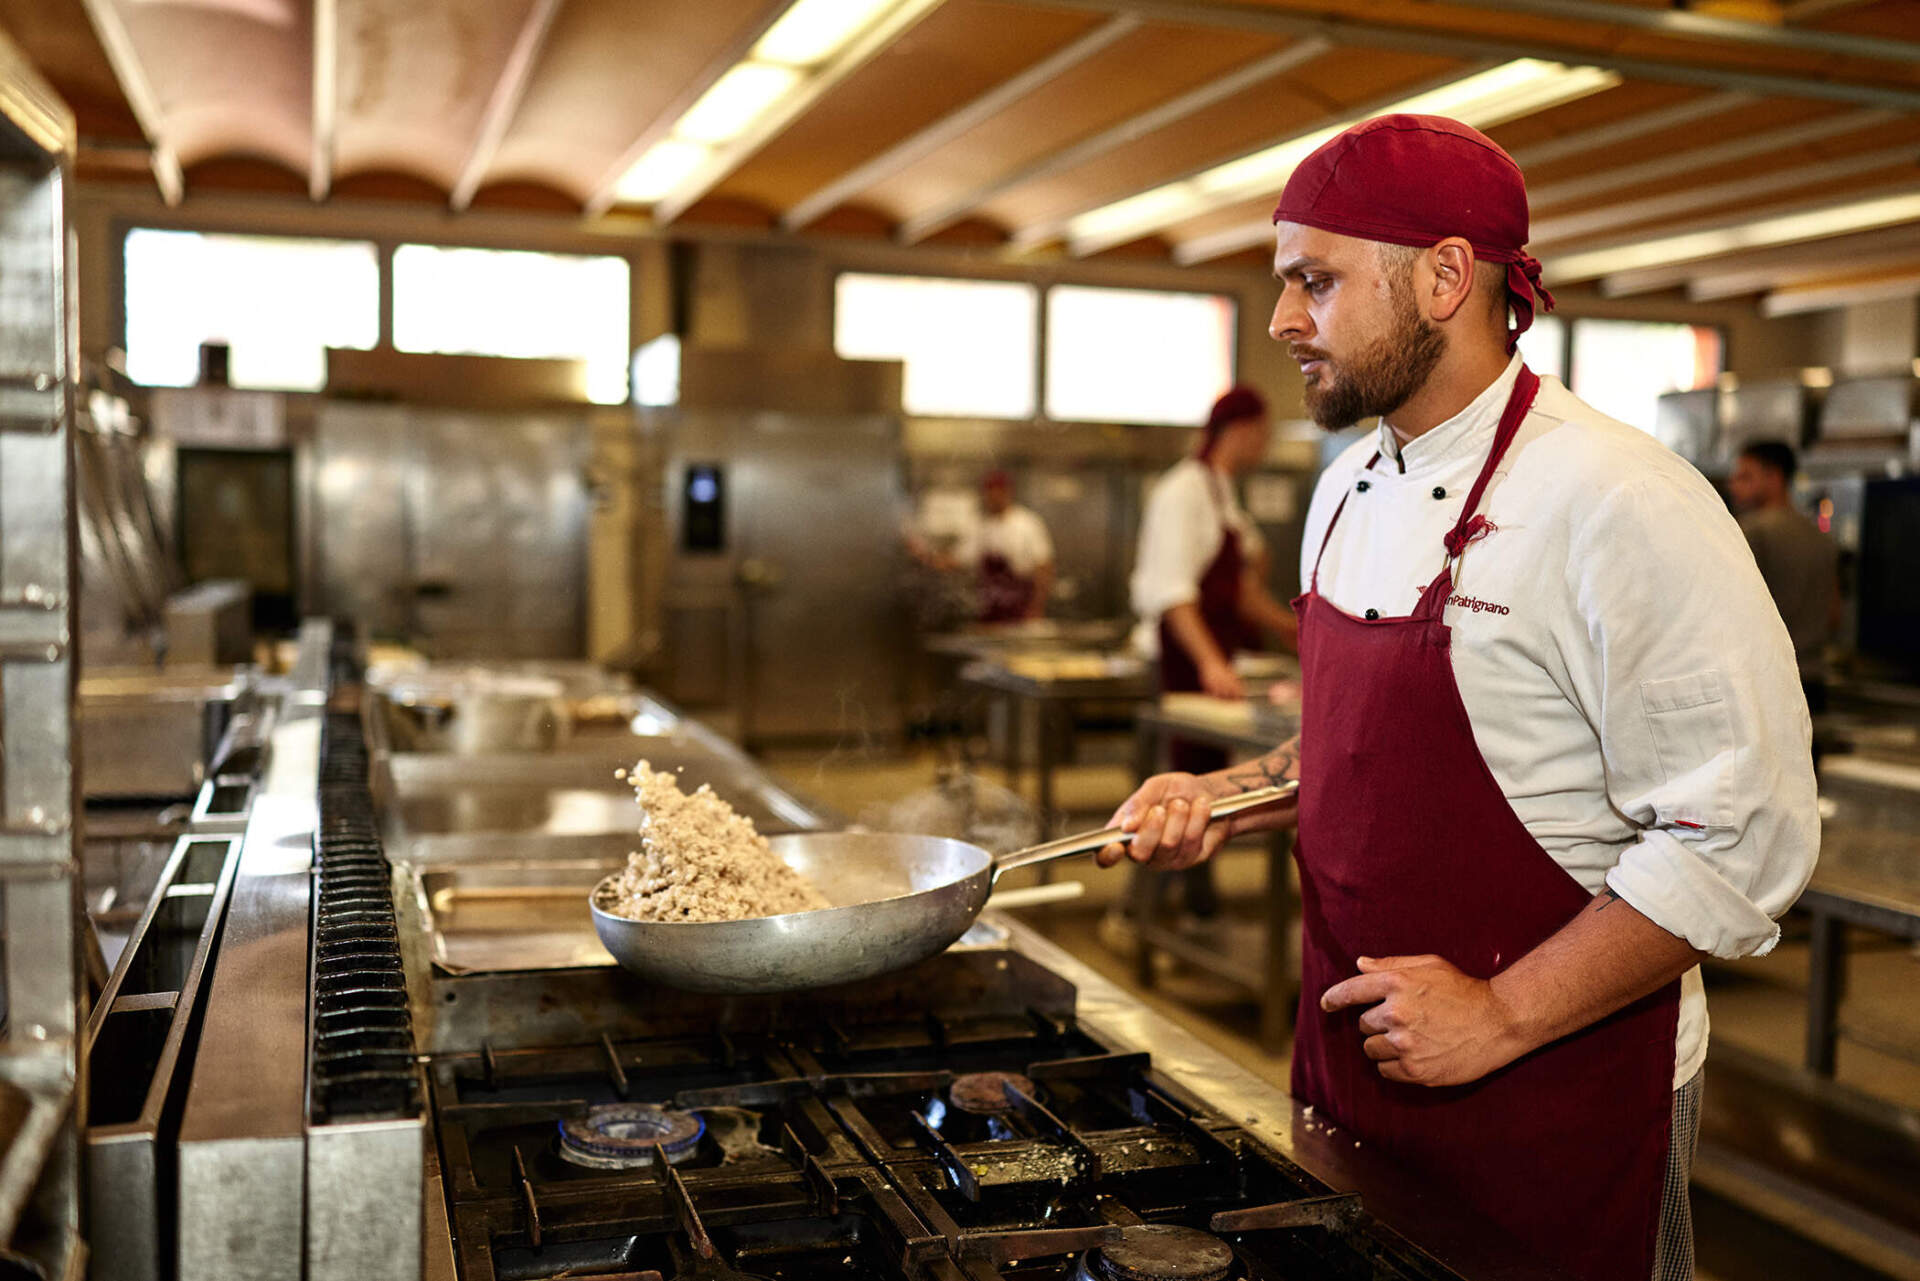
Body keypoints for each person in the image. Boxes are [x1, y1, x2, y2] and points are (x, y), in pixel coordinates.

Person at [1100, 114, 1817, 1281]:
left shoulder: (1621, 500)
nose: (1284, 321)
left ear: (1443, 277)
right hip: (1346, 1067)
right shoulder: (1344, 489)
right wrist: (1225, 796)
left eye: (1314, 282)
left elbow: (1738, 837)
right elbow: (1362, 745)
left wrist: (1501, 1015)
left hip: (1563, 1089)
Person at [1128, 386, 1299, 917]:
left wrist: (1295, 628)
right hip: (1181, 662)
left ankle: (1196, 904)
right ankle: (1138, 916)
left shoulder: (1220, 490)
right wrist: (1210, 663)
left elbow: (1243, 586)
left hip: (1208, 660)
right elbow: (1172, 595)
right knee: (1173, 793)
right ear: (1241, 431)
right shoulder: (1182, 491)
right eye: (1263, 435)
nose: (1265, 447)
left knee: (1203, 790)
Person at [1728, 439, 1841, 714]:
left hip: (1766, 686)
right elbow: (1834, 614)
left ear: (1774, 477)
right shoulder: (1821, 537)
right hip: (1813, 682)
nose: (1734, 485)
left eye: (1745, 476)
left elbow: (1730, 614)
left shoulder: (1750, 532)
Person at [966, 469, 1055, 622]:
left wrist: (1036, 607)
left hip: (1021, 607)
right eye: (989, 494)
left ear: (1008, 493)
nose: (993, 498)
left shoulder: (1027, 523)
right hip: (990, 609)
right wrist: (927, 554)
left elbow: (1044, 567)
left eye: (997, 493)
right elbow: (958, 559)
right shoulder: (981, 526)